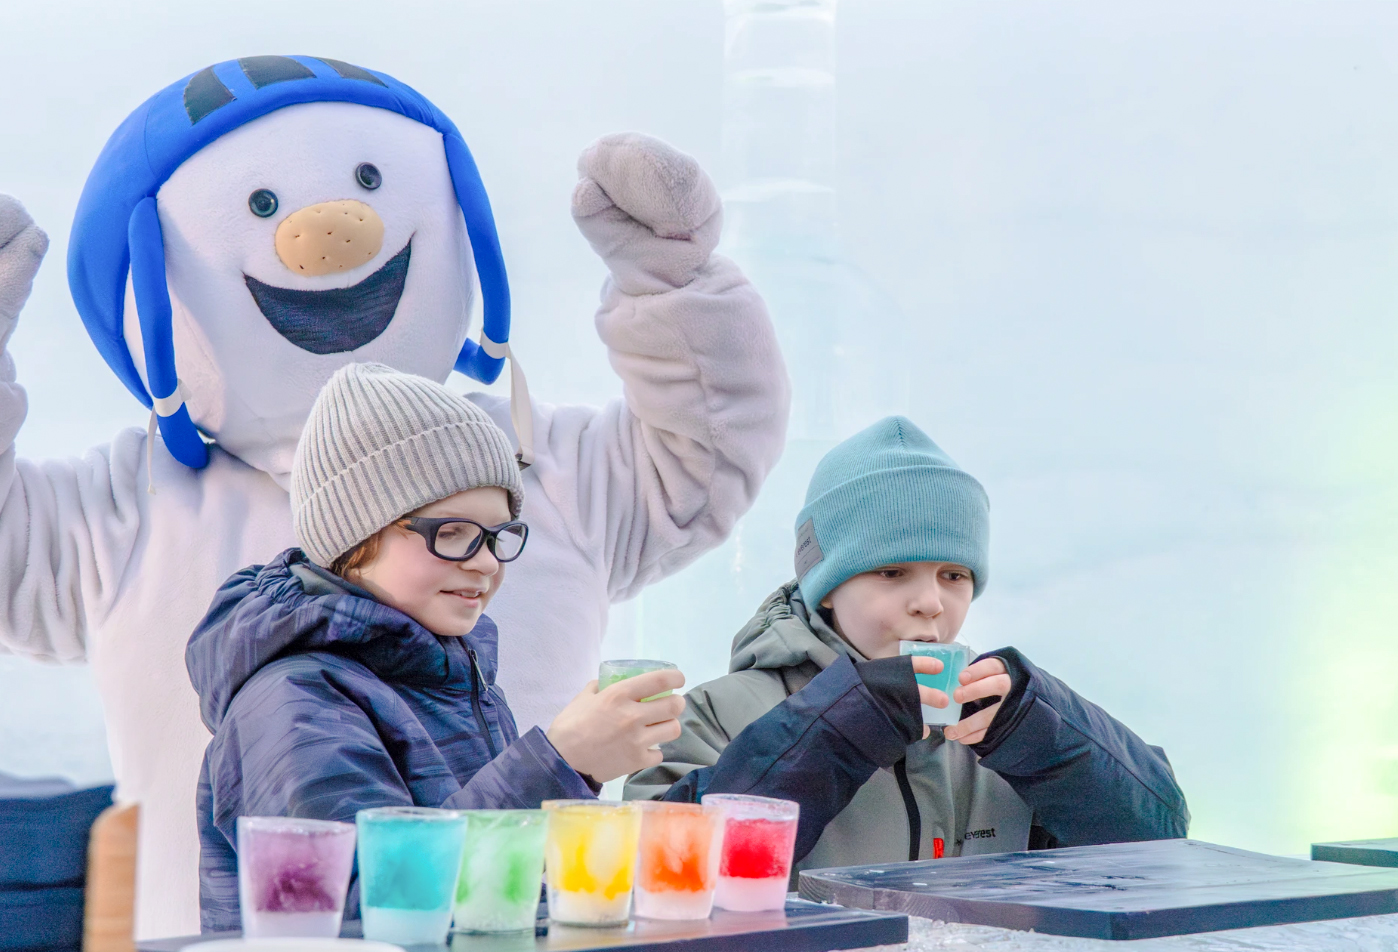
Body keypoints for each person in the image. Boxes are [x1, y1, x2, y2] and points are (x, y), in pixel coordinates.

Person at [187, 363, 685, 932]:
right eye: (451, 532)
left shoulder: (450, 676)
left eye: (499, 536)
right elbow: (359, 916)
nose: (486, 562)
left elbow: (489, 900)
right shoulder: (291, 701)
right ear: (357, 533)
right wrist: (562, 764)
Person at [627, 416, 1189, 877]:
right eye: (892, 572)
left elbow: (1161, 846)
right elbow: (653, 873)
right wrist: (843, 723)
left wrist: (1046, 730)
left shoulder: (1003, 719)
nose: (930, 602)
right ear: (825, 590)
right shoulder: (711, 714)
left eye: (955, 575)